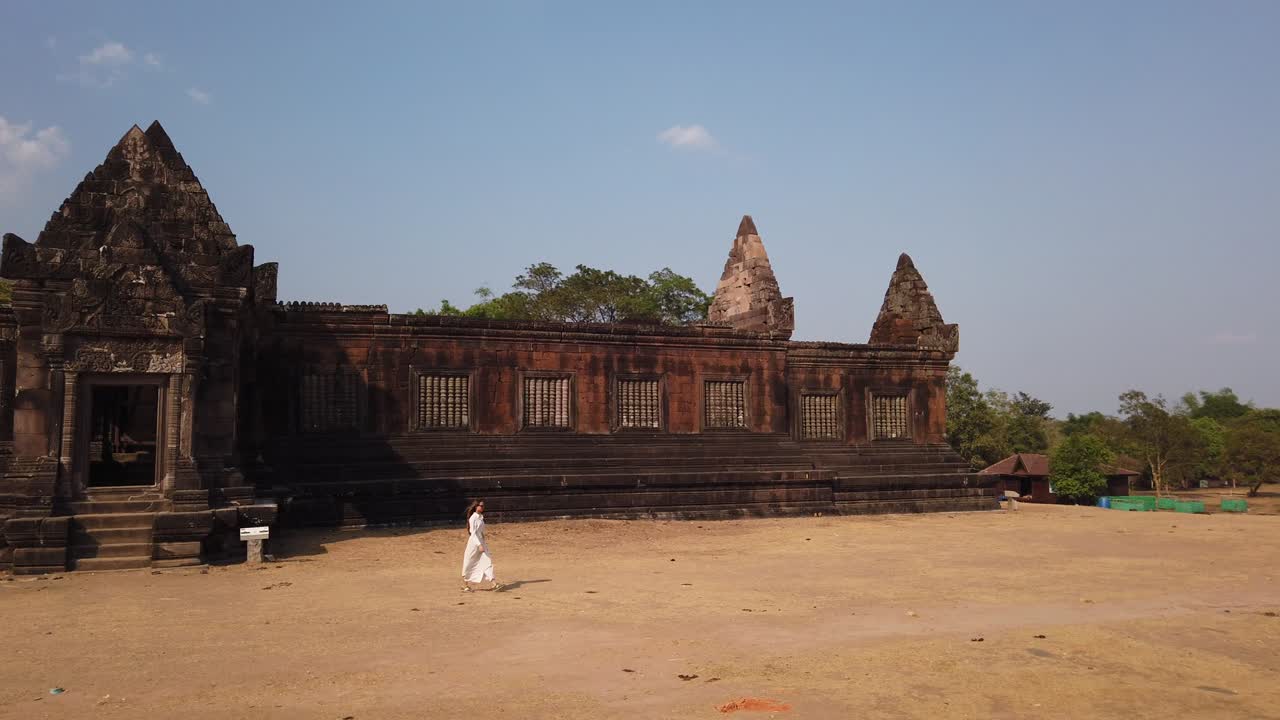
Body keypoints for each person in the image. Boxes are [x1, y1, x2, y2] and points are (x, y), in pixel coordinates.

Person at [461, 500, 503, 592]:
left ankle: (494, 584)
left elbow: (480, 532)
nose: (483, 508)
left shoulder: (481, 517)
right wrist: (479, 544)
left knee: (487, 561)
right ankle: (466, 585)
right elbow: (473, 533)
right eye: (481, 506)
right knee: (469, 562)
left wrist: (483, 540)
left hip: (481, 543)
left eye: (483, 506)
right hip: (473, 544)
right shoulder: (473, 518)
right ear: (476, 506)